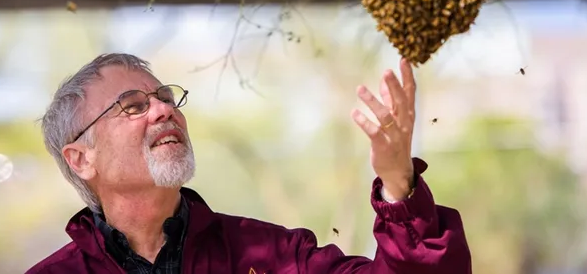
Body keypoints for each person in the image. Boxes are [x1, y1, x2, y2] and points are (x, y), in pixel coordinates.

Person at [26, 53, 471, 274]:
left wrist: (398, 184)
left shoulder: (274, 256)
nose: (164, 110)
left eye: (164, 97)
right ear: (81, 159)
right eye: (132, 105)